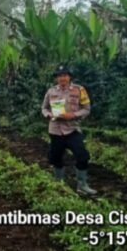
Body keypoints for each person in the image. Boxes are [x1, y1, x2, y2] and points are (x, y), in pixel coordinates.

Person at [41, 65, 96, 196]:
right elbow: (44, 108)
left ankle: (82, 185)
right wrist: (49, 115)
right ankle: (59, 183)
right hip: (55, 130)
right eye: (60, 76)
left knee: (82, 156)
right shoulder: (51, 91)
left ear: (70, 77)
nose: (62, 78)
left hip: (72, 129)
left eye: (65, 75)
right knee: (56, 158)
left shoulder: (79, 90)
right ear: (57, 78)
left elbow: (87, 109)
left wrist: (73, 115)